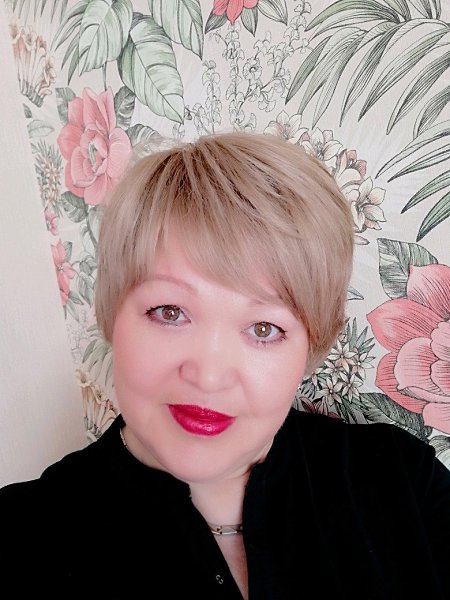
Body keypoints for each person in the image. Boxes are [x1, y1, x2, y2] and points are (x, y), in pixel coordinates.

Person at [1, 131, 449, 600]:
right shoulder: (17, 539)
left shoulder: (402, 482)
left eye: (264, 329)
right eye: (169, 312)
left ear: (311, 346)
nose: (209, 376)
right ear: (112, 315)